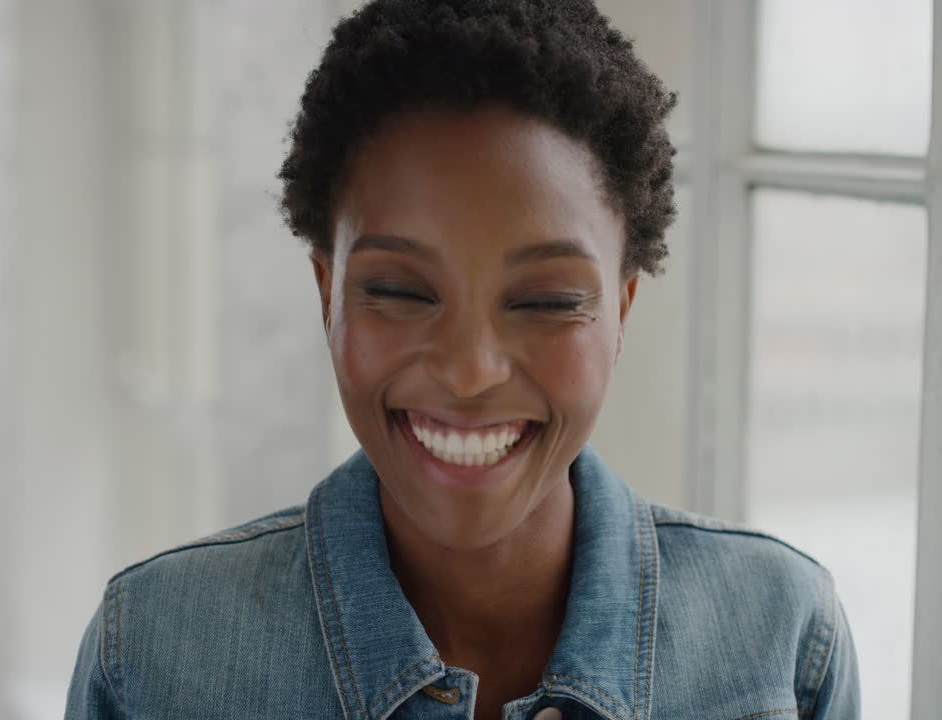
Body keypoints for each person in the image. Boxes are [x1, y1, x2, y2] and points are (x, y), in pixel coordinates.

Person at [64, 1, 860, 718]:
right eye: (401, 292)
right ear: (326, 293)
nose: (471, 371)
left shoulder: (781, 640)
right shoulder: (155, 659)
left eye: (546, 300)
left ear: (620, 309)